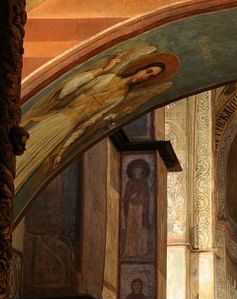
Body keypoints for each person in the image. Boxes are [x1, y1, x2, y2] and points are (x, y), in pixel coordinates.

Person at [17, 49, 179, 188]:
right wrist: (101, 70)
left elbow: (84, 126)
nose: (146, 76)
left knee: (29, 160)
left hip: (64, 129)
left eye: (151, 77)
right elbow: (68, 88)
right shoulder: (109, 78)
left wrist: (61, 151)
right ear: (141, 68)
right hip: (56, 118)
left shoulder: (119, 99)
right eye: (148, 71)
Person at [122, 159, 151, 257]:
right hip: (131, 210)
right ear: (133, 171)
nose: (137, 171)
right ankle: (130, 251)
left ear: (142, 171)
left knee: (140, 230)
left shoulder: (144, 183)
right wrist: (131, 197)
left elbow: (147, 198)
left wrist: (141, 198)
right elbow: (125, 197)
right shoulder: (129, 183)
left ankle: (140, 251)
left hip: (141, 210)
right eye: (135, 169)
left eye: (139, 169)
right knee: (131, 230)